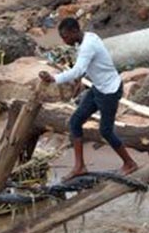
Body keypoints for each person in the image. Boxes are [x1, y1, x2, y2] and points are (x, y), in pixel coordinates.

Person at [39, 17, 138, 179]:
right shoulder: (88, 38)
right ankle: (79, 167)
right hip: (98, 88)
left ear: (74, 31)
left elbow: (78, 70)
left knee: (106, 131)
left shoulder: (88, 46)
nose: (64, 41)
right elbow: (85, 67)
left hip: (109, 91)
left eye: (65, 37)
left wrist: (54, 78)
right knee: (75, 122)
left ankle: (130, 163)